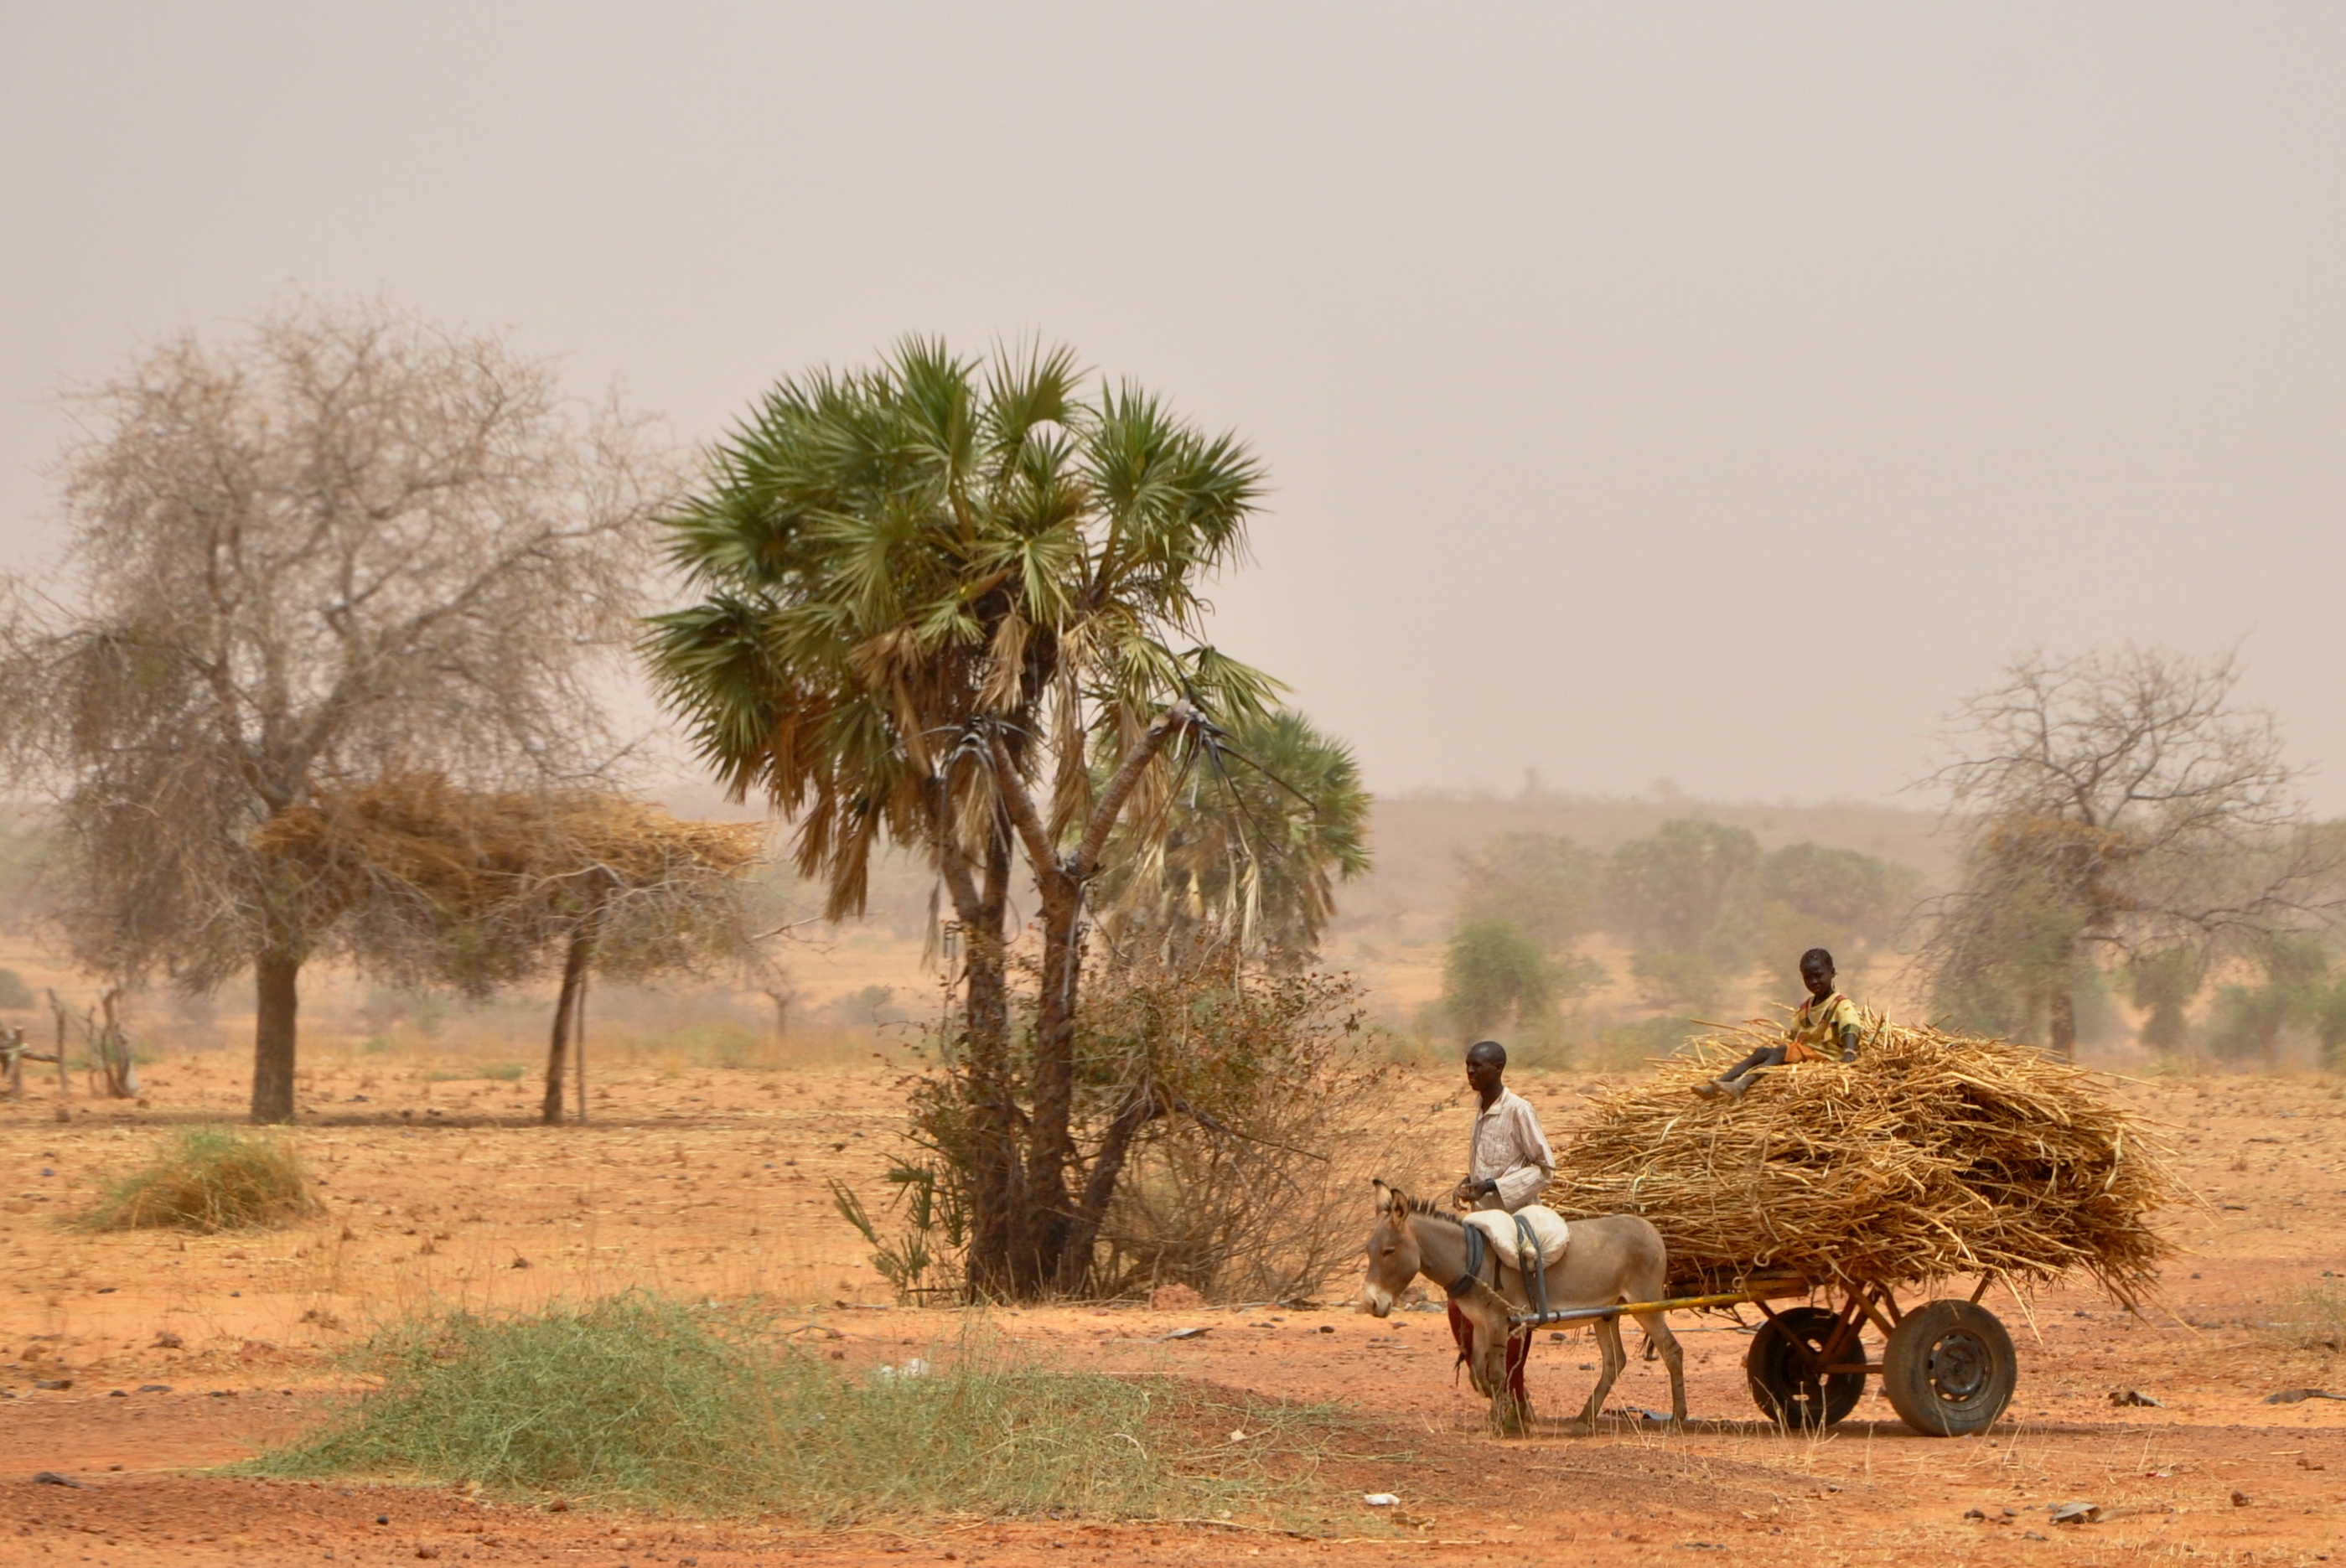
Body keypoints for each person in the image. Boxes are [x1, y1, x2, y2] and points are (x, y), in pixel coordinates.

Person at [1445, 1039, 1554, 1407]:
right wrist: (1469, 1184)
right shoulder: (1480, 1110)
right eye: (1467, 1065)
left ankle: (1514, 1395)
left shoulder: (1519, 1110)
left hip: (1513, 1222)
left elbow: (1545, 1169)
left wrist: (1494, 1186)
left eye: (1477, 1065)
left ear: (1498, 1068)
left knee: (1514, 1312)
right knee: (1459, 1302)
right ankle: (1492, 1383)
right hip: (1481, 1223)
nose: (1470, 1072)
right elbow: (1487, 1165)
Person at [1694, 947, 1863, 1099]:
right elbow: (1795, 1036)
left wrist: (1849, 1053)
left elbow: (1850, 1027)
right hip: (1806, 1056)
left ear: (1832, 973)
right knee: (1761, 1052)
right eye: (1808, 978)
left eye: (1818, 976)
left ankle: (1743, 1084)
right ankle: (1717, 1084)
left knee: (1782, 1050)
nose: (1814, 982)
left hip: (1827, 1058)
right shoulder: (1806, 1008)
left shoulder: (1839, 1004)